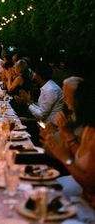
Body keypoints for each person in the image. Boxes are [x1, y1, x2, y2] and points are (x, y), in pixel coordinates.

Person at [42, 79, 95, 211]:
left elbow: (89, 183)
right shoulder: (89, 128)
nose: (65, 100)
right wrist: (66, 135)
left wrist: (64, 157)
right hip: (83, 196)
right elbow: (81, 158)